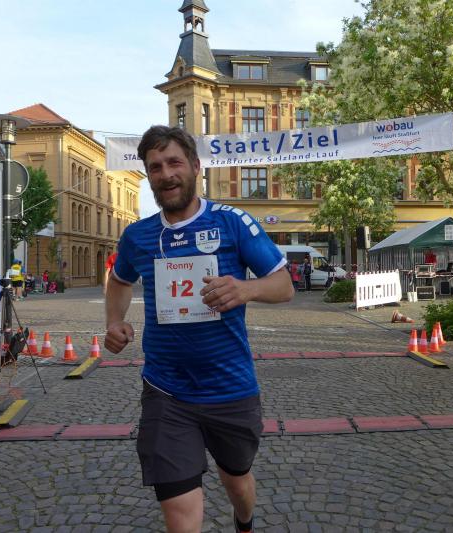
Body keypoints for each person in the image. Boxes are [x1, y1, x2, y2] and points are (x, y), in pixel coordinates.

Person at [104, 126, 293, 533]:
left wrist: (246, 289)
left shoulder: (232, 222)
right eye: (155, 167)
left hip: (230, 388)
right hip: (165, 390)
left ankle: (244, 523)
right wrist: (114, 322)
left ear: (194, 166)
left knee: (237, 480)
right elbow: (118, 280)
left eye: (174, 162)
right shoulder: (138, 236)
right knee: (179, 510)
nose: (166, 174)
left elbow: (284, 285)